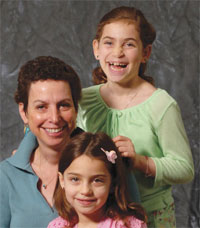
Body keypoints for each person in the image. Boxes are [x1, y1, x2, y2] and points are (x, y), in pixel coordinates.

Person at [76, 6, 194, 228]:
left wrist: (140, 161)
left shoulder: (160, 105)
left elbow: (184, 169)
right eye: (109, 42)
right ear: (96, 49)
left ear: (145, 53)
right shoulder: (82, 100)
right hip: (98, 218)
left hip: (150, 217)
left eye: (129, 44)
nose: (118, 52)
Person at [0, 56, 82, 227]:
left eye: (64, 105)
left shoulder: (106, 165)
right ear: (24, 112)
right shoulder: (5, 176)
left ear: (76, 109)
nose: (54, 118)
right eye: (41, 107)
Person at [47, 132, 147, 228]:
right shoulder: (56, 226)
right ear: (62, 180)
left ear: (112, 183)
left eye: (97, 180)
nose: (85, 191)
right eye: (75, 179)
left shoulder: (128, 225)